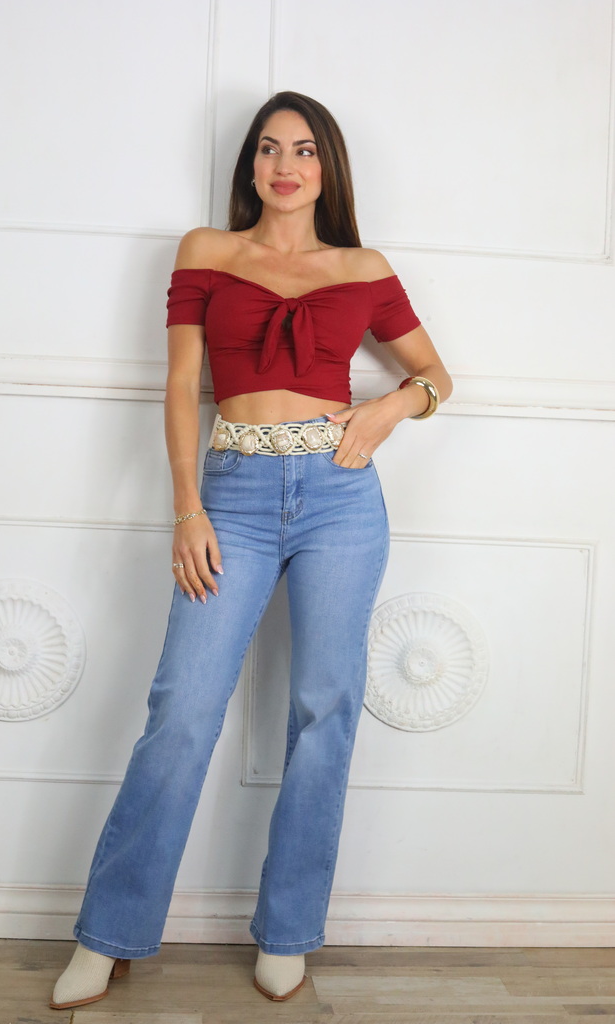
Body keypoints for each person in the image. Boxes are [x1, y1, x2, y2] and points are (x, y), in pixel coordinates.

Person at [50, 90, 452, 1010]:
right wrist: (186, 508)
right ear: (250, 165)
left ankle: (288, 930)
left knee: (325, 708)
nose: (285, 165)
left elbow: (436, 374)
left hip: (340, 498)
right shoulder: (206, 250)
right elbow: (180, 383)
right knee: (183, 709)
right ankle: (109, 933)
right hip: (229, 492)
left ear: (327, 168)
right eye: (269, 148)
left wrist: (391, 408)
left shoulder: (362, 267)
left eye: (304, 150)